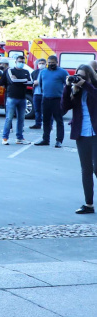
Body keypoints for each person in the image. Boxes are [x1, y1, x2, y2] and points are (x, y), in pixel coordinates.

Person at [62, 64, 97, 214]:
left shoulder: (93, 88)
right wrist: (67, 86)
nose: (79, 79)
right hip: (82, 134)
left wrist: (86, 85)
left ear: (89, 77)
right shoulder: (75, 91)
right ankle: (88, 204)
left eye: (82, 76)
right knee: (86, 170)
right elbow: (63, 107)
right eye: (77, 76)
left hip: (95, 133)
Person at [0, 55, 32, 146]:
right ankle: (5, 137)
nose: (21, 63)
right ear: (16, 62)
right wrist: (24, 81)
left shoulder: (26, 71)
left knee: (21, 119)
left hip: (22, 98)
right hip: (12, 98)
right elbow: (12, 81)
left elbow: (31, 82)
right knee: (9, 118)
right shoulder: (10, 70)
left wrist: (21, 80)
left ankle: (19, 138)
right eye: (19, 61)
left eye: (23, 62)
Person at [35, 55, 67, 148]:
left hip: (57, 99)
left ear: (57, 63)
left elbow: (67, 85)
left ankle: (59, 141)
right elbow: (40, 84)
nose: (50, 64)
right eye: (49, 63)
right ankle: (45, 139)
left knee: (59, 120)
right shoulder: (43, 72)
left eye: (52, 63)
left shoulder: (62, 72)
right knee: (46, 120)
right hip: (45, 99)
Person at [30, 58, 47, 129]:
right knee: (37, 110)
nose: (41, 65)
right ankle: (38, 124)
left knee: (46, 110)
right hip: (36, 93)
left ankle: (48, 124)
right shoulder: (34, 72)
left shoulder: (47, 72)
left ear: (46, 64)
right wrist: (33, 83)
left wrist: (39, 82)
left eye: (43, 63)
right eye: (40, 63)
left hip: (45, 94)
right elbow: (31, 81)